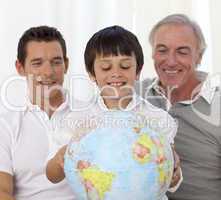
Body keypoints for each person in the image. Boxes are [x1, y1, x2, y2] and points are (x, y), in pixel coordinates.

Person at [46, 25, 182, 199]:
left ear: (138, 71)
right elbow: (52, 176)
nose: (116, 73)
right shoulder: (76, 120)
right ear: (91, 74)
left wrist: (174, 174)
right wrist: (60, 158)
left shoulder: (157, 118)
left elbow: (170, 178)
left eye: (125, 66)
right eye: (106, 68)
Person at [137, 14, 221, 200]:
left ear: (199, 56)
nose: (171, 61)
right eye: (162, 50)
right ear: (152, 54)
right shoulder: (133, 95)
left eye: (182, 52)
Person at [0, 26, 75, 200]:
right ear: (20, 67)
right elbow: (2, 192)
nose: (48, 72)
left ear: (66, 65)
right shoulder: (5, 125)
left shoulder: (91, 114)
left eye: (56, 62)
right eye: (37, 63)